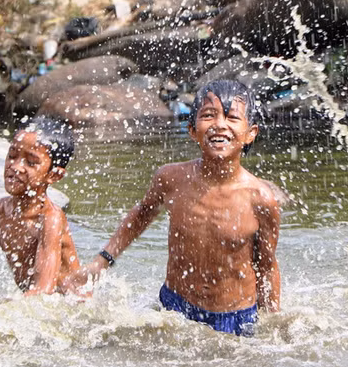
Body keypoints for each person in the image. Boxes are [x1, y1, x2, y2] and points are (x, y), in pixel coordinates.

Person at [62, 79, 281, 336]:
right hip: (175, 309)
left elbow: (266, 266)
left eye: (232, 117)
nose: (220, 125)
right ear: (191, 129)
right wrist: (103, 260)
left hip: (234, 317)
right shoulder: (172, 179)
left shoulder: (260, 199)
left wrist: (272, 325)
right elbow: (142, 213)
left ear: (250, 133)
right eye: (209, 115)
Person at [0, 115, 80, 295]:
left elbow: (43, 292)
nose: (16, 167)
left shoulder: (50, 219)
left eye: (31, 162)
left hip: (70, 308)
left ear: (54, 175)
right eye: (12, 155)